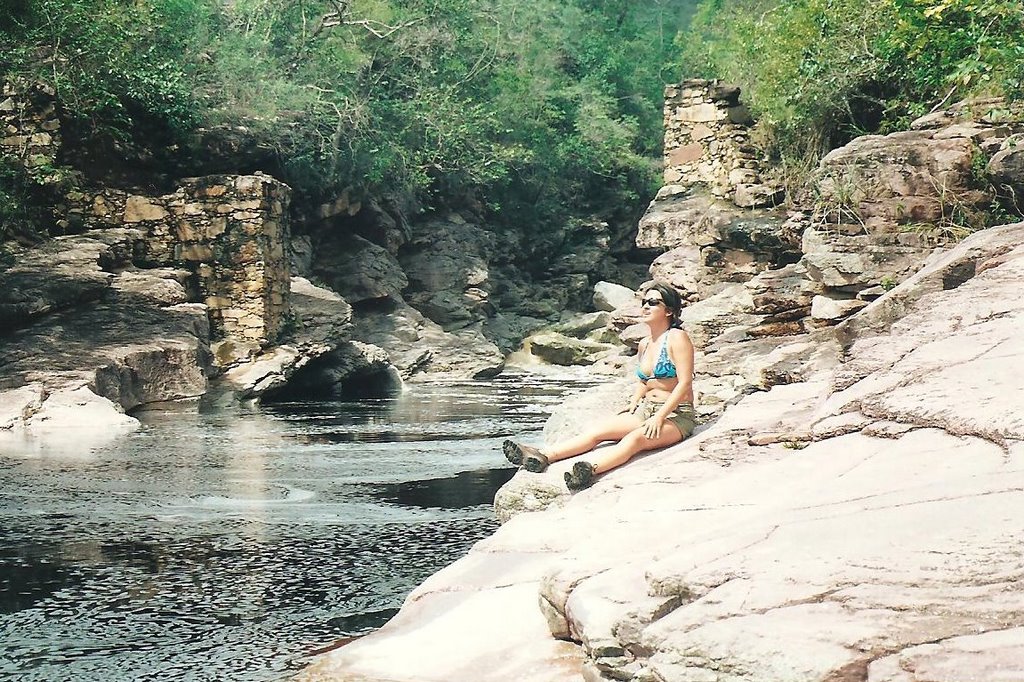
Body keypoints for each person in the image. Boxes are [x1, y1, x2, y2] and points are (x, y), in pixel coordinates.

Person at [503, 282, 697, 491]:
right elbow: (645, 380)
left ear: (668, 310)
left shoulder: (678, 338)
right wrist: (634, 402)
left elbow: (685, 383)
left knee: (635, 440)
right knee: (597, 431)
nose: (645, 307)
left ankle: (589, 471)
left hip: (676, 416)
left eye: (653, 302)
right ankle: (543, 456)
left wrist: (660, 417)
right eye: (644, 302)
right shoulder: (645, 344)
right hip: (646, 410)